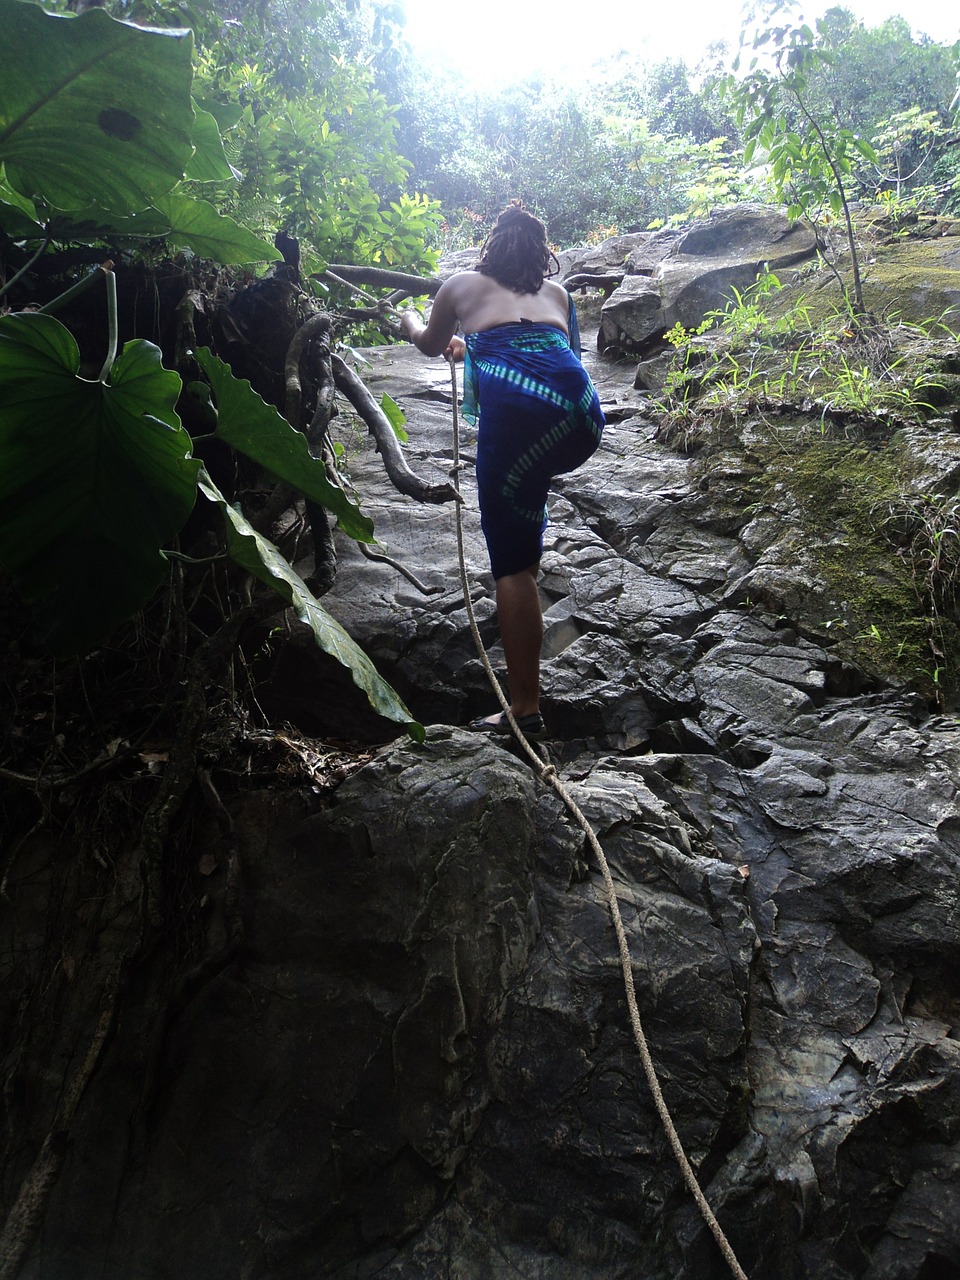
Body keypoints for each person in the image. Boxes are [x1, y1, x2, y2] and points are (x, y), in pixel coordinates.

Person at [400, 202, 604, 738]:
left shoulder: (460, 284)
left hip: (520, 420)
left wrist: (407, 321)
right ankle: (526, 575)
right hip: (581, 416)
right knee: (525, 525)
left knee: (510, 567)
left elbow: (426, 344)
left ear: (491, 246)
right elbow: (544, 350)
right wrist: (474, 348)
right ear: (543, 255)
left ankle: (524, 710)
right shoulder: (557, 295)